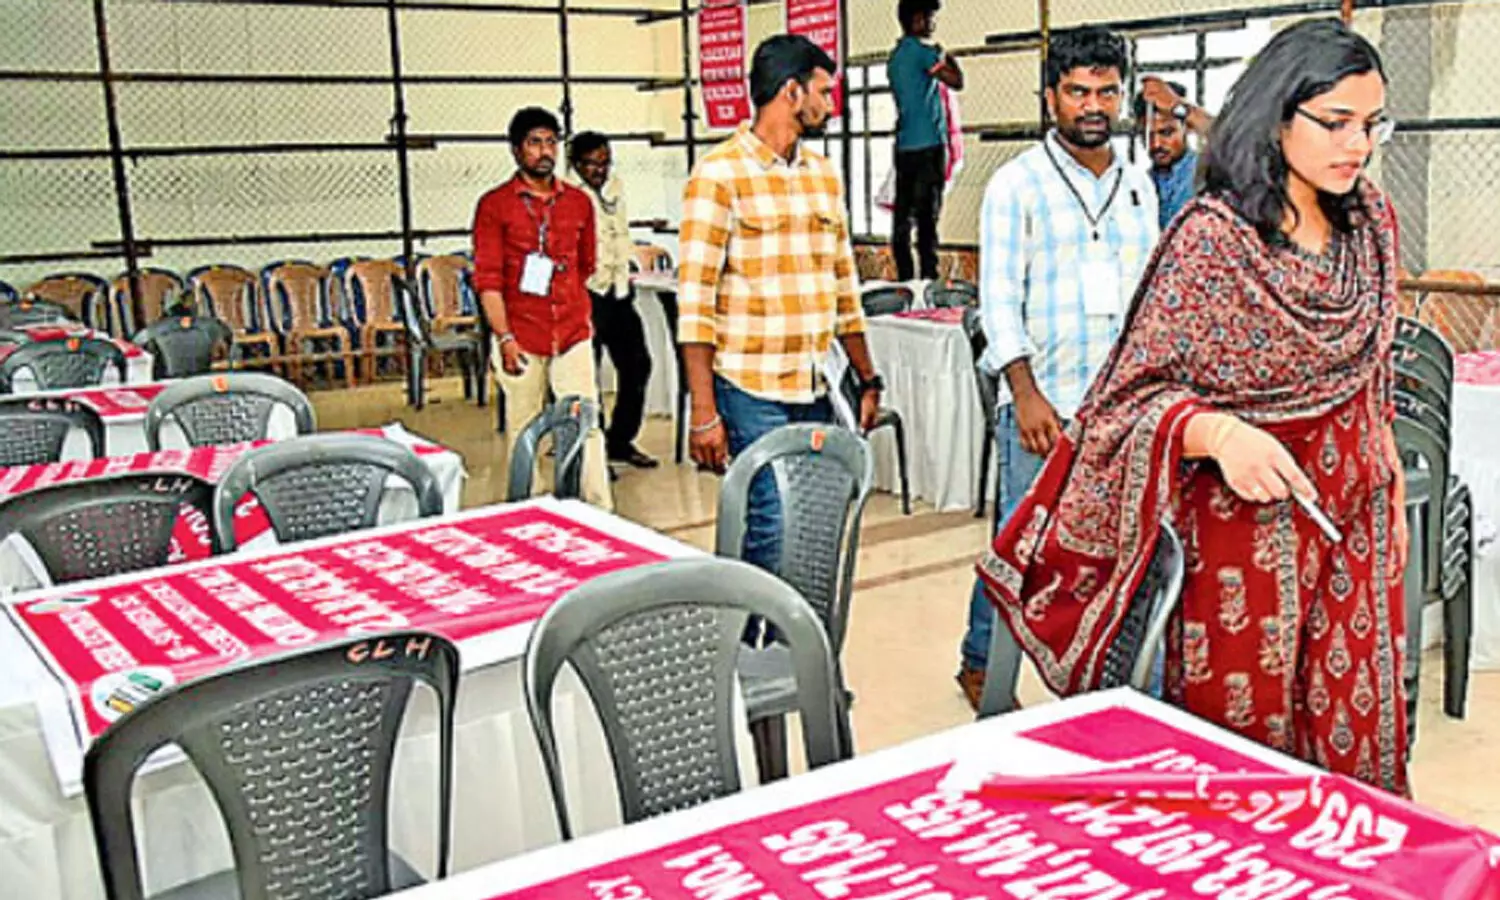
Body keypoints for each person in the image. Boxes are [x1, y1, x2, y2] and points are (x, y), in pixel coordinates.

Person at [976, 19, 1409, 794]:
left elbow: (1373, 377)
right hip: (1246, 536)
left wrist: (1393, 490)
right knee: (1243, 757)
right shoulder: (1215, 240)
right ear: (1277, 117)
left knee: (1355, 731)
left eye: (1373, 124)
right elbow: (1129, 399)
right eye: (1337, 122)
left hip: (1354, 520)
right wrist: (1216, 433)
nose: (1359, 145)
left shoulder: (1370, 224)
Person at [955, 25, 1159, 710]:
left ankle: (1101, 674)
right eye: (1077, 92)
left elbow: (1146, 297)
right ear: (1051, 99)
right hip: (1043, 402)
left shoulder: (1138, 184)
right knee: (1023, 542)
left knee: (1117, 547)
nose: (1093, 105)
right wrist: (1024, 392)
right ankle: (983, 661)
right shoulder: (1017, 185)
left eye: (1106, 91)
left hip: (1121, 406)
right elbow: (998, 300)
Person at [678, 34, 883, 576]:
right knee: (773, 521)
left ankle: (799, 626)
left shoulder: (823, 175)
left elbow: (845, 288)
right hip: (750, 385)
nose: (831, 105)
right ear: (792, 92)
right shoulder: (718, 175)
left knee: (814, 521)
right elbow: (695, 303)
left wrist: (867, 377)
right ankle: (754, 629)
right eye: (824, 91)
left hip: (815, 384)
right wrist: (703, 412)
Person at [472, 106, 613, 510]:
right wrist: (505, 338)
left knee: (586, 421)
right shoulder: (495, 205)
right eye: (534, 143)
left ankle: (598, 509)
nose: (544, 151)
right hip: (519, 334)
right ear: (516, 150)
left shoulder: (578, 203)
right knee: (524, 427)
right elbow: (488, 280)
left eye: (551, 142)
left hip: (572, 331)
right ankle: (528, 509)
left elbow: (586, 265)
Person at [568, 131, 658, 470]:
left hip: (618, 291)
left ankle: (619, 440)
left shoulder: (614, 189)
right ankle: (593, 452)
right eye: (591, 164)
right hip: (586, 293)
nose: (600, 170)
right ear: (576, 164)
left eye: (605, 163)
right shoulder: (566, 195)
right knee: (587, 376)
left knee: (638, 365)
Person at [888, 0, 963, 282]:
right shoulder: (925, 53)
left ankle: (906, 280)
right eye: (930, 17)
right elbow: (956, 81)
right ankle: (928, 281)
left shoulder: (895, 56)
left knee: (903, 218)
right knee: (927, 220)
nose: (933, 23)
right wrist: (946, 55)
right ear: (917, 19)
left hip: (904, 146)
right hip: (928, 146)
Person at [1135, 77, 1214, 228]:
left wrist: (1179, 107)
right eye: (1147, 136)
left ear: (1187, 127)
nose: (1156, 144)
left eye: (1166, 133)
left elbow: (1235, 142)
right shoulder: (1140, 184)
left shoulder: (1209, 173)